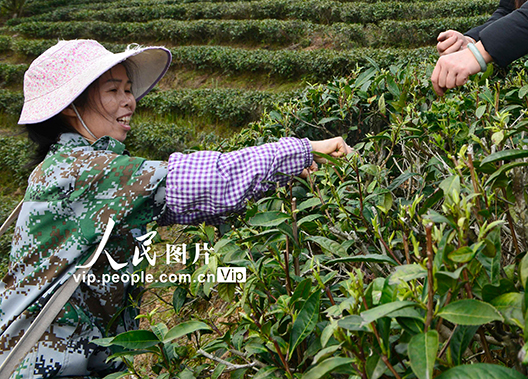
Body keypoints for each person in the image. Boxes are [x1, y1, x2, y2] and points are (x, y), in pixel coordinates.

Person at [0, 39, 352, 378]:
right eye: (113, 91)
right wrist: (305, 150)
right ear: (69, 105)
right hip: (45, 365)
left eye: (127, 89)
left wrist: (282, 175)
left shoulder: (70, 166)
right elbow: (209, 180)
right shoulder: (83, 171)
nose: (129, 101)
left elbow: (192, 202)